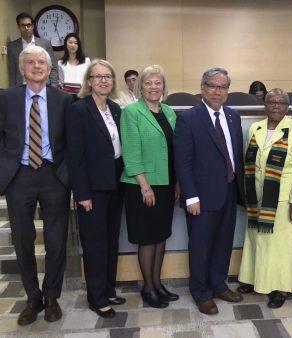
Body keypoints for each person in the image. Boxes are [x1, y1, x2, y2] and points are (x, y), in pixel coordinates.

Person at [0, 45, 72, 325]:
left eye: (42, 62)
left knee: (57, 241)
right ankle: (32, 297)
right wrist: (3, 170)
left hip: (53, 176)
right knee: (23, 241)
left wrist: (66, 173)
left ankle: (51, 297)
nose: (37, 66)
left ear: (49, 69)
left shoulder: (64, 100)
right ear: (22, 69)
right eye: (31, 62)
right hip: (19, 177)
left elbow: (72, 143)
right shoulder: (5, 99)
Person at [174, 67, 245, 315]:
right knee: (201, 245)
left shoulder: (233, 117)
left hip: (228, 192)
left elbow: (236, 156)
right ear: (203, 87)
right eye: (213, 86)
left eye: (223, 87)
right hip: (201, 197)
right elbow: (183, 162)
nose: (218, 91)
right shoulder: (188, 118)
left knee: (223, 243)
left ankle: (218, 284)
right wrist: (190, 196)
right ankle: (201, 291)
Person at [237, 88, 292, 309]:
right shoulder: (254, 128)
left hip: (284, 200)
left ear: (287, 107)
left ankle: (281, 287)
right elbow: (247, 163)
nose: (276, 106)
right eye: (272, 102)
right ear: (265, 105)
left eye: (281, 102)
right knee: (256, 241)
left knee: (282, 246)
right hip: (257, 199)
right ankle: (255, 279)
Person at [66, 59, 125, 318]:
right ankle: (97, 297)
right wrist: (82, 194)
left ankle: (108, 289)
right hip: (92, 190)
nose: (103, 80)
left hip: (115, 185)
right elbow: (74, 156)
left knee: (111, 241)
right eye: (98, 76)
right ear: (89, 81)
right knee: (95, 244)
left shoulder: (115, 108)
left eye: (108, 76)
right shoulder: (79, 110)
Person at [120, 65, 179, 308]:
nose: (153, 87)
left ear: (164, 87)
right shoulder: (131, 112)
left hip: (165, 184)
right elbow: (131, 154)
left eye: (158, 83)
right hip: (141, 185)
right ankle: (148, 288)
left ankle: (157, 283)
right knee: (147, 238)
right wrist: (145, 186)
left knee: (161, 235)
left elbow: (174, 150)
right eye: (148, 83)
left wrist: (176, 183)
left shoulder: (169, 111)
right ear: (140, 86)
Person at [7, 12, 58, 87]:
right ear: (19, 27)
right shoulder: (12, 46)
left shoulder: (45, 44)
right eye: (23, 26)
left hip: (43, 86)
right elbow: (12, 72)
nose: (26, 28)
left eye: (28, 25)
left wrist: (53, 86)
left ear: (33, 26)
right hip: (22, 87)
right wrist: (13, 90)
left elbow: (53, 66)